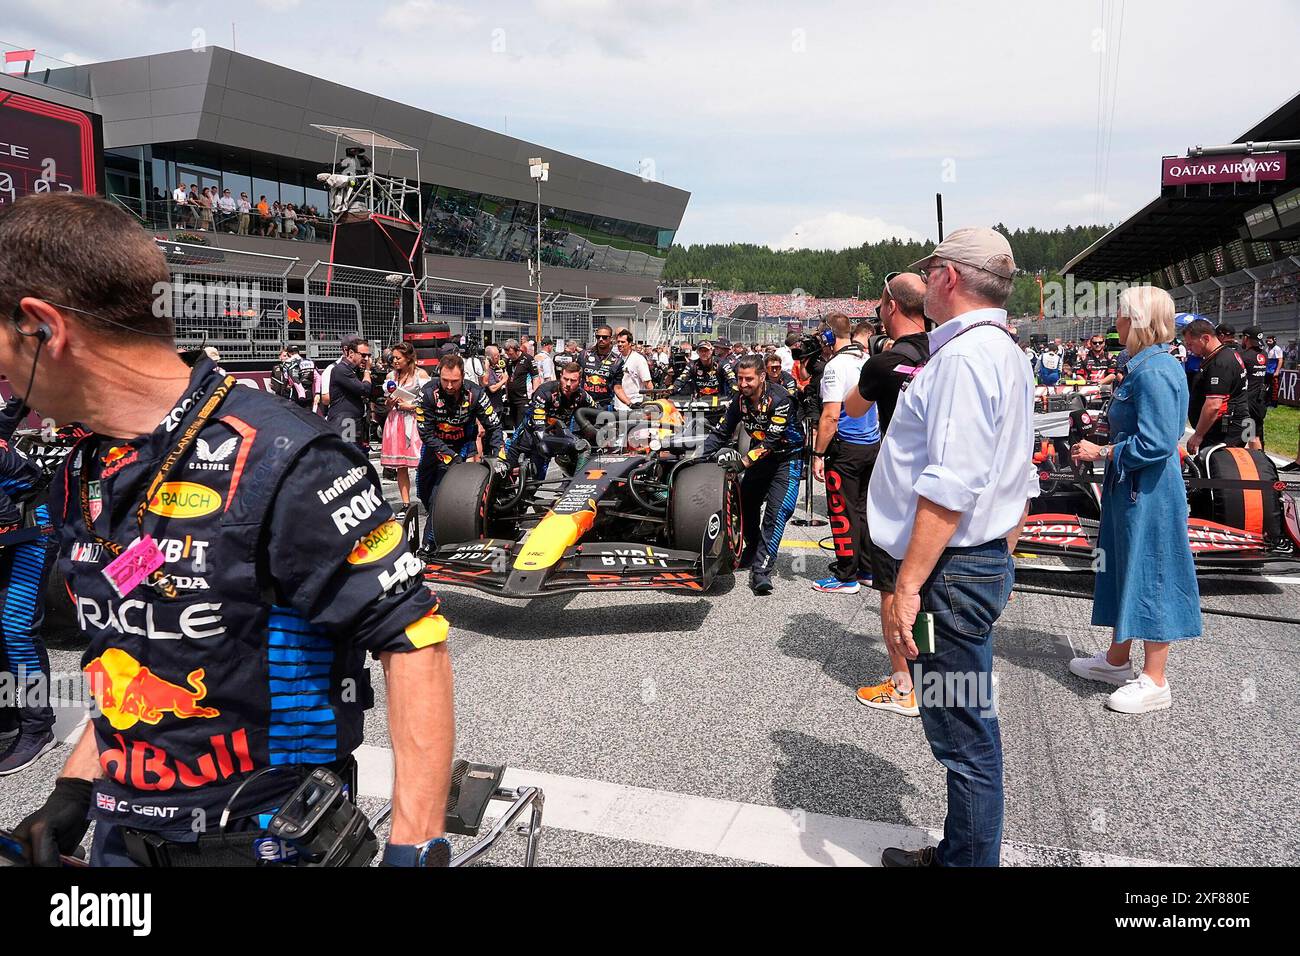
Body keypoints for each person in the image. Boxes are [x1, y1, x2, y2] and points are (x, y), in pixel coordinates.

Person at [0, 193, 454, 867]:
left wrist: (415, 847)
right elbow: (126, 647)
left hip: (263, 841)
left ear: (42, 328)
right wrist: (72, 791)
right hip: (119, 838)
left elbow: (414, 642)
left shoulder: (287, 456)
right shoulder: (87, 465)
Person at [868, 227, 1036, 867]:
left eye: (932, 268)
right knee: (961, 724)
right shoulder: (1000, 351)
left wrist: (909, 586)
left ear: (947, 277)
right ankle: (962, 850)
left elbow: (949, 485)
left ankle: (966, 862)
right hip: (971, 563)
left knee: (962, 735)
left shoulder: (966, 359)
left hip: (946, 573)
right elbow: (1018, 473)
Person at [1068, 286, 1200, 713]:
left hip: (1149, 492)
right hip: (1132, 488)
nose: (1116, 323)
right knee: (1123, 565)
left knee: (1152, 570)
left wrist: (1102, 452)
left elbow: (1158, 442)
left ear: (1138, 320)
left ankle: (1155, 678)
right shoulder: (1142, 365)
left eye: (1122, 315)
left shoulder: (1155, 370)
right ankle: (1117, 660)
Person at [844, 272, 931, 718]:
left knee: (892, 589)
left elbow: (853, 407)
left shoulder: (883, 364)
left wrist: (869, 363)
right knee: (928, 587)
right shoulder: (949, 351)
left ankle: (904, 686)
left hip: (898, 492)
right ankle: (931, 676)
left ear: (891, 307)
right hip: (943, 491)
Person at [701, 355, 804, 596]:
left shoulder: (780, 399)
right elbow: (722, 432)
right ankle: (753, 547)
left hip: (787, 459)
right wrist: (699, 457)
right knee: (745, 503)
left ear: (761, 377)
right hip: (761, 459)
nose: (743, 384)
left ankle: (762, 570)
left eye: (749, 379)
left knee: (777, 513)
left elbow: (771, 440)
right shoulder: (739, 400)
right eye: (740, 379)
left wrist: (743, 462)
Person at [0, 397, 57, 775]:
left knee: (15, 629)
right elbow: (7, 420)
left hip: (32, 527)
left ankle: (38, 726)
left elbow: (4, 519)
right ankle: (7, 715)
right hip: (12, 524)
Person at [811, 312, 879, 594]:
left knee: (842, 511)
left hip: (846, 450)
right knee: (862, 511)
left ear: (828, 336)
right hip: (871, 445)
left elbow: (830, 417)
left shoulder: (835, 366)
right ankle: (866, 569)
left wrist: (818, 454)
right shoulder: (865, 359)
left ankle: (845, 576)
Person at [415, 353, 506, 554]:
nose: (449, 386)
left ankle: (428, 546)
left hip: (462, 445)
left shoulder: (476, 393)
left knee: (438, 496)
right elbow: (425, 433)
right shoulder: (428, 393)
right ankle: (445, 523)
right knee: (423, 491)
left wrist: (498, 455)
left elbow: (494, 425)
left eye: (454, 381)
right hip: (434, 446)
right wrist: (447, 454)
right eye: (445, 380)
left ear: (463, 377)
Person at [506, 361, 598, 479]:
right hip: (528, 435)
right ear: (560, 377)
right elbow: (538, 426)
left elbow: (596, 412)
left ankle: (573, 484)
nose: (568, 384)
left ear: (579, 381)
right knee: (508, 468)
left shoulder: (582, 395)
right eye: (565, 379)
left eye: (573, 380)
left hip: (553, 438)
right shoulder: (545, 391)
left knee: (536, 480)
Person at [1182, 318, 1250, 454]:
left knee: (1218, 468)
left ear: (1205, 338)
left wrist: (1198, 435)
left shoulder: (1219, 362)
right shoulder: (1225, 354)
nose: (1188, 349)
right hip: (1232, 424)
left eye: (1190, 344)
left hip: (1224, 430)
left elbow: (1214, 405)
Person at [382, 341, 430, 517]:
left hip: (415, 421)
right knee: (400, 465)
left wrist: (411, 405)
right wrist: (390, 402)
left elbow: (428, 400)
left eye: (398, 358)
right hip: (395, 421)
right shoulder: (390, 377)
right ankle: (405, 503)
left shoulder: (420, 375)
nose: (394, 361)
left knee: (422, 462)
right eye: (393, 358)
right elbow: (386, 403)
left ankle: (427, 498)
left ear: (408, 358)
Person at [326, 333, 374, 449]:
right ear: (351, 353)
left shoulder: (355, 370)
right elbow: (364, 389)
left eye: (368, 355)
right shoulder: (341, 369)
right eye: (363, 355)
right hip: (346, 421)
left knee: (355, 455)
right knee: (348, 455)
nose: (366, 359)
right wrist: (367, 371)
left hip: (355, 420)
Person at [578, 326, 629, 409]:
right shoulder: (584, 355)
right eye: (598, 337)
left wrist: (630, 403)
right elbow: (575, 377)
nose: (601, 339)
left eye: (604, 337)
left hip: (604, 405)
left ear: (611, 339)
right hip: (584, 403)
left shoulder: (617, 361)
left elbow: (618, 388)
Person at [1239, 327, 1269, 449]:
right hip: (1260, 399)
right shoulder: (1264, 355)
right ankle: (1259, 460)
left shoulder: (1244, 356)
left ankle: (1245, 461)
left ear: (1246, 338)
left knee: (1247, 435)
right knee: (1255, 434)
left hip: (1247, 400)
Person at [614, 328, 651, 411]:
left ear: (630, 343)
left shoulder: (638, 359)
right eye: (618, 342)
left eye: (623, 342)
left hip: (634, 405)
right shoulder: (615, 358)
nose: (620, 344)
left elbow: (648, 384)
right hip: (617, 405)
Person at [502, 339, 534, 429]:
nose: (509, 356)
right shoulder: (509, 361)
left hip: (524, 399)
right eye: (507, 354)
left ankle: (522, 443)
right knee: (515, 426)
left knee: (522, 426)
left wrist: (535, 396)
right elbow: (508, 378)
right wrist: (507, 395)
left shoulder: (528, 359)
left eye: (511, 354)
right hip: (512, 399)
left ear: (517, 350)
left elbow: (536, 378)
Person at [1265, 335, 1284, 406]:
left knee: (1274, 388)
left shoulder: (1277, 349)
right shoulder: (1267, 349)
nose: (1268, 342)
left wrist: (1277, 371)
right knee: (1266, 387)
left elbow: (1280, 360)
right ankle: (1267, 401)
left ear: (1274, 341)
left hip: (1273, 371)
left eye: (1270, 341)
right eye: (1267, 341)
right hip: (1267, 371)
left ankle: (1273, 403)